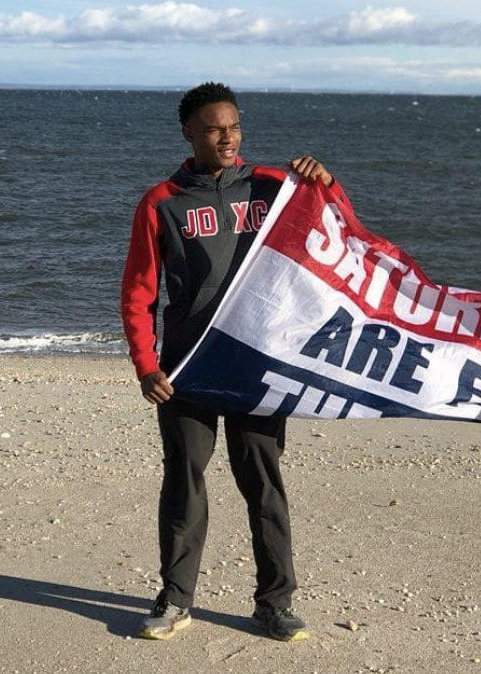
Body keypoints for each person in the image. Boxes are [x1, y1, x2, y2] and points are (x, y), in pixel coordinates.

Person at [121, 82, 348, 641]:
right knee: (184, 484)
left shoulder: (273, 186)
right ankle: (175, 601)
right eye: (215, 128)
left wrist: (326, 182)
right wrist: (146, 364)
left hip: (256, 366)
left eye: (236, 126)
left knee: (264, 485)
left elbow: (337, 235)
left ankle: (274, 603)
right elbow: (139, 291)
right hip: (187, 370)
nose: (228, 137)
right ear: (189, 132)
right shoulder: (161, 202)